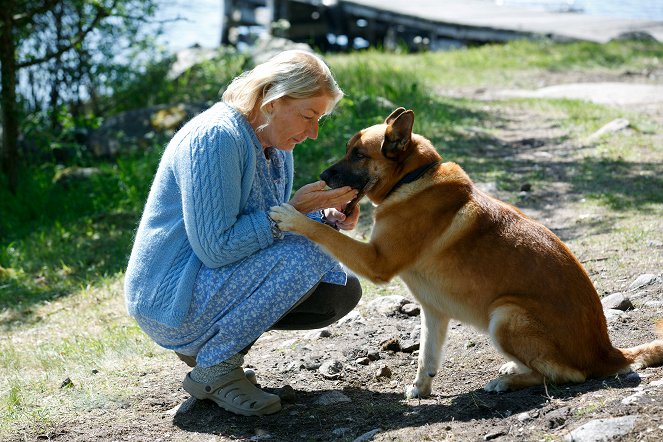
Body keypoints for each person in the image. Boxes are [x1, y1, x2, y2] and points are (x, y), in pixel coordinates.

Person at [124, 50, 363, 417]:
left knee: (339, 286)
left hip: (206, 279)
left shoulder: (276, 146)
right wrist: (297, 212)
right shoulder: (215, 138)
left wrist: (322, 216)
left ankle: (208, 346)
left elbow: (262, 230)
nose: (313, 133)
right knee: (312, 255)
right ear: (272, 99)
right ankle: (214, 370)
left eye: (321, 120)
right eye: (308, 116)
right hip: (170, 294)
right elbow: (218, 248)